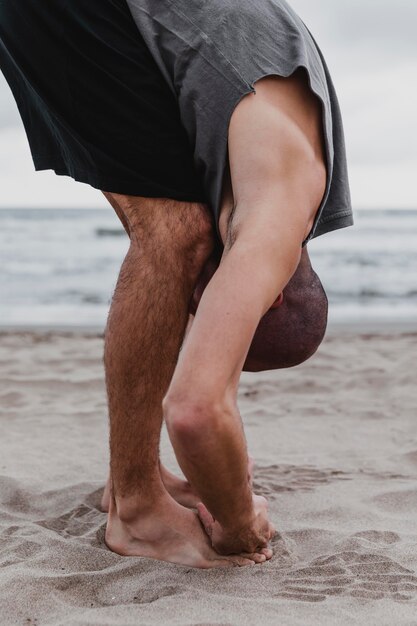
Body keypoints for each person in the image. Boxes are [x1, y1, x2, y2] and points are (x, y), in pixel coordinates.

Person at [0, 0, 353, 568]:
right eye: (212, 304)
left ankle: (135, 480)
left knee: (183, 229)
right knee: (177, 235)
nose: (197, 309)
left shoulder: (275, 151)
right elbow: (195, 409)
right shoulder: (274, 218)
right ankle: (137, 511)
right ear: (273, 292)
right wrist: (241, 521)